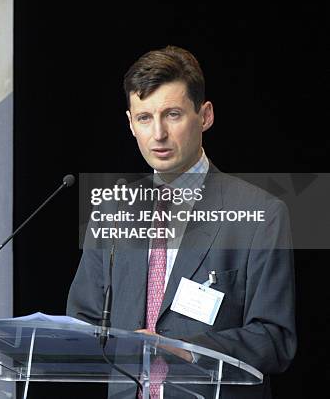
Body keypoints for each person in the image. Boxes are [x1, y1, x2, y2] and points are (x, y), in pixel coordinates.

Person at [67, 46, 296, 398]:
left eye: (172, 114)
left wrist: (184, 349)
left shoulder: (260, 213)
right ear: (130, 123)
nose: (158, 134)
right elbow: (83, 322)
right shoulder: (111, 210)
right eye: (144, 118)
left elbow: (274, 340)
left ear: (204, 116)